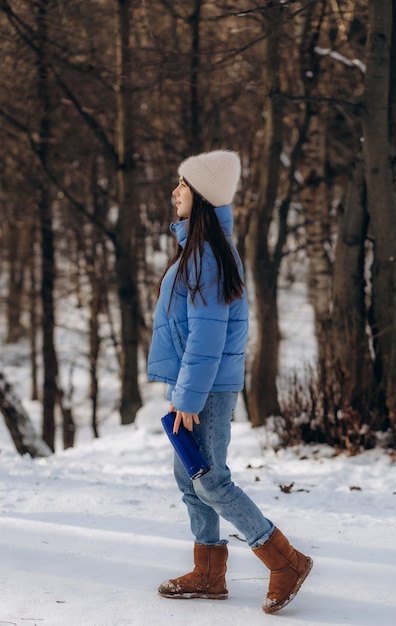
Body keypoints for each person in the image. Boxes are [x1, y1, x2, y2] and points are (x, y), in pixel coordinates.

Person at [147, 150, 312, 614]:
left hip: (207, 390)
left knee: (211, 480)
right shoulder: (202, 250)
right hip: (195, 386)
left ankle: (285, 561)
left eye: (182, 184)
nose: (174, 191)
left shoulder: (207, 256)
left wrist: (188, 397)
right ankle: (208, 572)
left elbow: (208, 336)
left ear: (199, 195)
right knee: (189, 477)